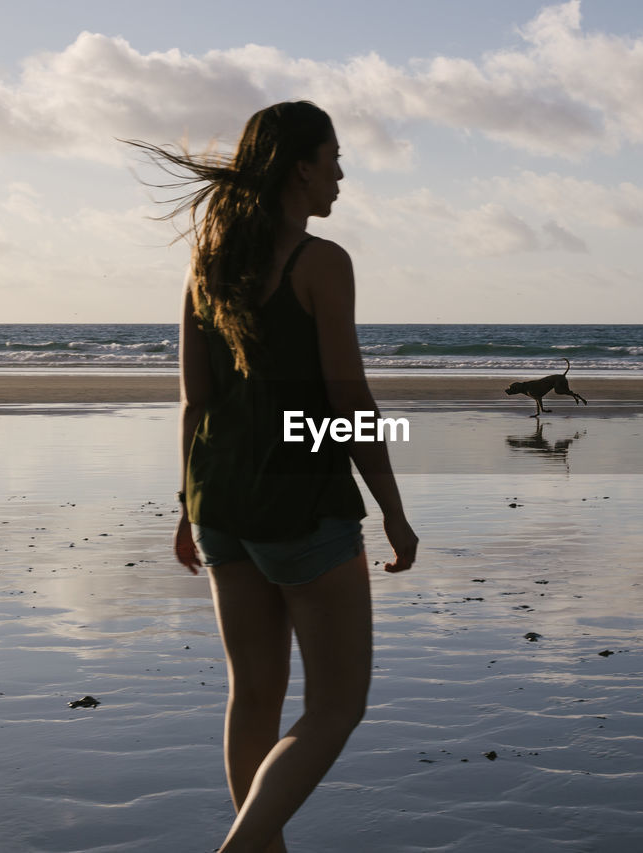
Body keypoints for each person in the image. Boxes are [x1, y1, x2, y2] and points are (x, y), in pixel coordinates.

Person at [132, 101, 418, 852]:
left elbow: (196, 399)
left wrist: (188, 506)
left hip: (220, 498)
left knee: (253, 700)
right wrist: (393, 506)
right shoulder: (321, 262)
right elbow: (348, 397)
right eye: (334, 158)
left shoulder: (209, 265)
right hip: (300, 503)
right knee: (336, 705)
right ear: (301, 166)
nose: (341, 174)